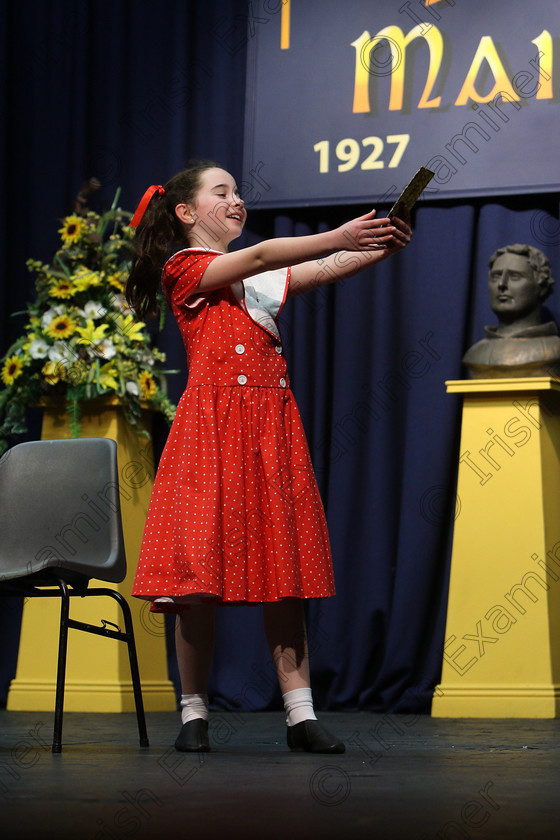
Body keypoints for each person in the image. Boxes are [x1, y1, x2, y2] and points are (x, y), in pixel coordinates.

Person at [126, 161, 412, 754]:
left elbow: (322, 268)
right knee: (196, 581)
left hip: (269, 429)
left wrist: (378, 245)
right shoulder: (186, 268)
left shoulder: (250, 280)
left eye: (239, 193)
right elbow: (264, 257)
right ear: (186, 213)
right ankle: (194, 712)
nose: (236, 201)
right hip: (211, 430)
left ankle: (300, 713)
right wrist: (340, 233)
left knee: (285, 573)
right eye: (221, 193)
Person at [463, 243, 560, 378]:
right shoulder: (475, 354)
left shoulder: (554, 351)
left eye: (515, 277)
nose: (501, 284)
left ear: (541, 287)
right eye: (496, 277)